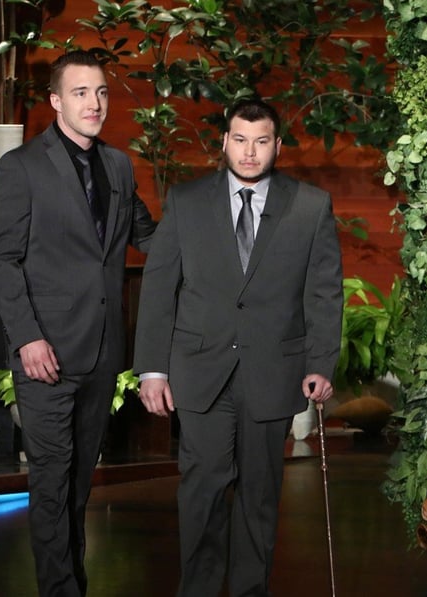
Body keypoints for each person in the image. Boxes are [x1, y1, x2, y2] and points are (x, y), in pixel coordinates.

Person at [133, 98, 344, 597]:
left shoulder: (310, 206)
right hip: (201, 374)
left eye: (262, 141)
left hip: (273, 373)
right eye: (241, 140)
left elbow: (324, 291)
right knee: (202, 495)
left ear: (277, 145)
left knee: (259, 501)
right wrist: (152, 371)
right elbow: (160, 288)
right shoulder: (186, 202)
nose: (250, 153)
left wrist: (320, 362)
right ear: (224, 141)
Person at [0, 49, 157, 597]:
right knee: (52, 487)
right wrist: (28, 338)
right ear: (56, 100)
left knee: (77, 488)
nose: (95, 103)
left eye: (102, 92)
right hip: (46, 355)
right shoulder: (22, 167)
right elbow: (3, 260)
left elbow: (151, 238)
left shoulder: (119, 166)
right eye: (81, 92)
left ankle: (72, 586)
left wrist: (220, 233)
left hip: (103, 353)